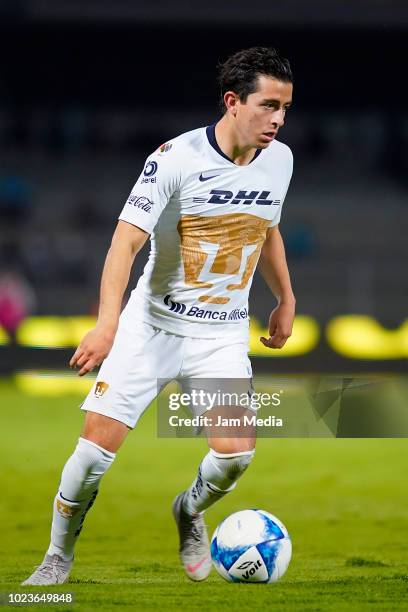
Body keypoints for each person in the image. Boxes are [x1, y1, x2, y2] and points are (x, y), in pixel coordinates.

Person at [22, 46, 295, 586]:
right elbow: (124, 243)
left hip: (218, 335)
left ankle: (188, 512)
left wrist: (285, 297)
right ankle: (57, 558)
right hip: (150, 326)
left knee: (236, 456)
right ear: (232, 102)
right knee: (92, 456)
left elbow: (266, 228)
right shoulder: (174, 158)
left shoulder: (281, 159)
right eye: (268, 106)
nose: (279, 120)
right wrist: (106, 325)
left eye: (285, 108)